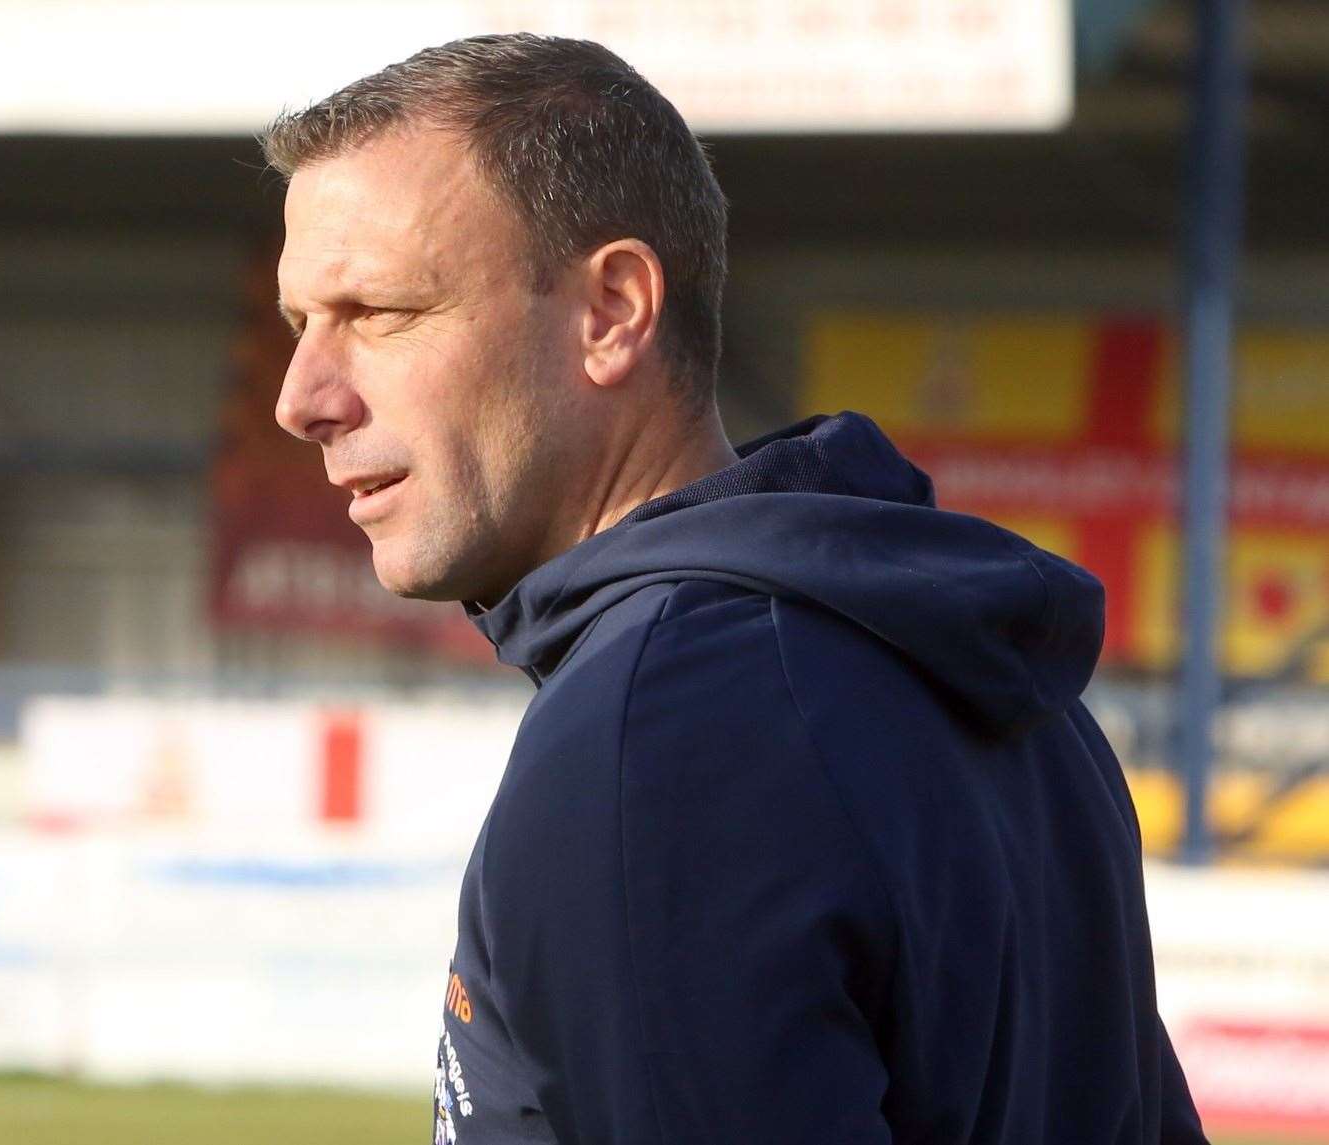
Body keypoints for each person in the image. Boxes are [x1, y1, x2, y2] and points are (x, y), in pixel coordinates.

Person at [263, 32, 1207, 1145]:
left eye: (378, 312)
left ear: (611, 310)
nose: (302, 396)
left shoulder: (657, 735)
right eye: (297, 326)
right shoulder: (975, 672)